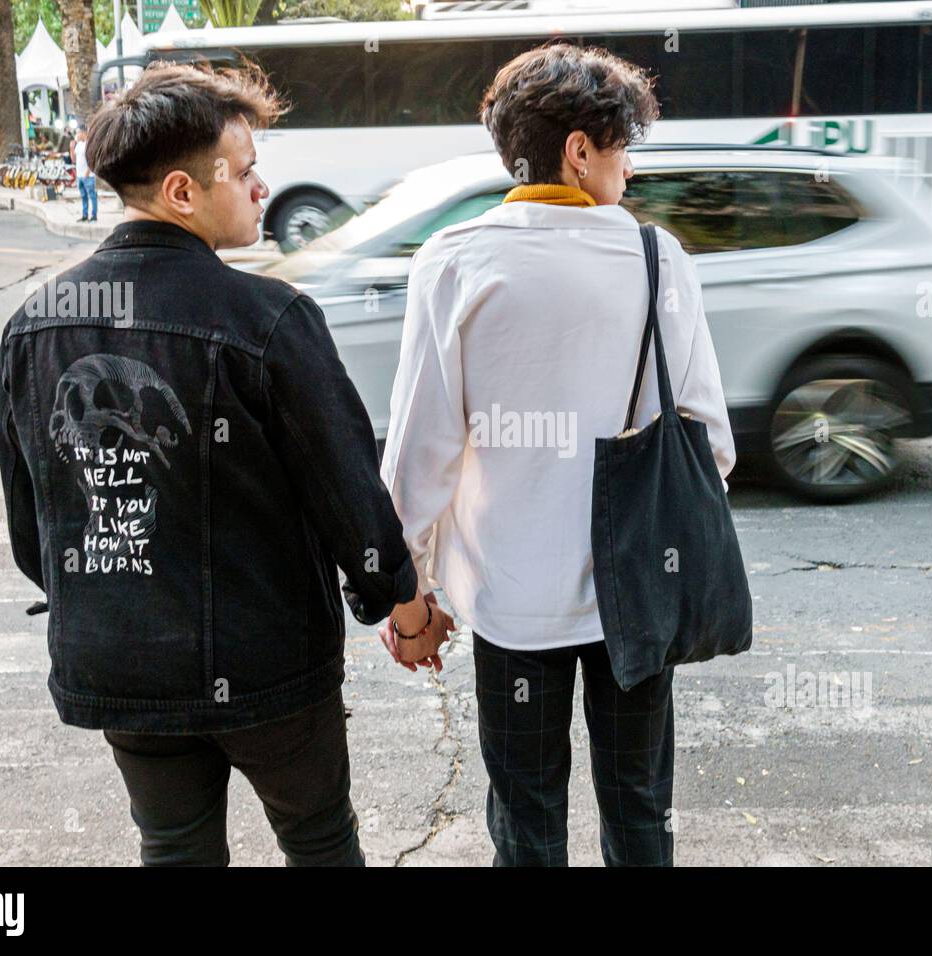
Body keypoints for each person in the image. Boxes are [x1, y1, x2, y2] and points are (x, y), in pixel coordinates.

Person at [0, 62, 453, 867]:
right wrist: (404, 613)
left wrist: (99, 593)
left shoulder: (36, 324)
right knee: (317, 842)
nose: (259, 186)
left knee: (172, 848)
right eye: (242, 173)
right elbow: (351, 497)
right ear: (182, 191)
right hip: (266, 665)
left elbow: (35, 528)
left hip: (120, 661)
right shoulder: (268, 318)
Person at [379, 43, 735, 866]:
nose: (630, 172)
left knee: (527, 823)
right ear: (579, 149)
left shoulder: (456, 261)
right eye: (623, 148)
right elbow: (710, 443)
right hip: (638, 603)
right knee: (641, 815)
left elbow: (419, 457)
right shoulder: (658, 261)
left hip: (512, 610)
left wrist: (415, 601)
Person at [74, 128, 97, 221]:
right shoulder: (78, 145)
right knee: (83, 196)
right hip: (79, 175)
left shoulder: (89, 144)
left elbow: (92, 158)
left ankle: (94, 215)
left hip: (88, 175)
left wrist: (88, 170)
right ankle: (84, 215)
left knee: (92, 195)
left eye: (78, 133)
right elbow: (74, 159)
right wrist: (71, 148)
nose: (77, 135)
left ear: (83, 133)